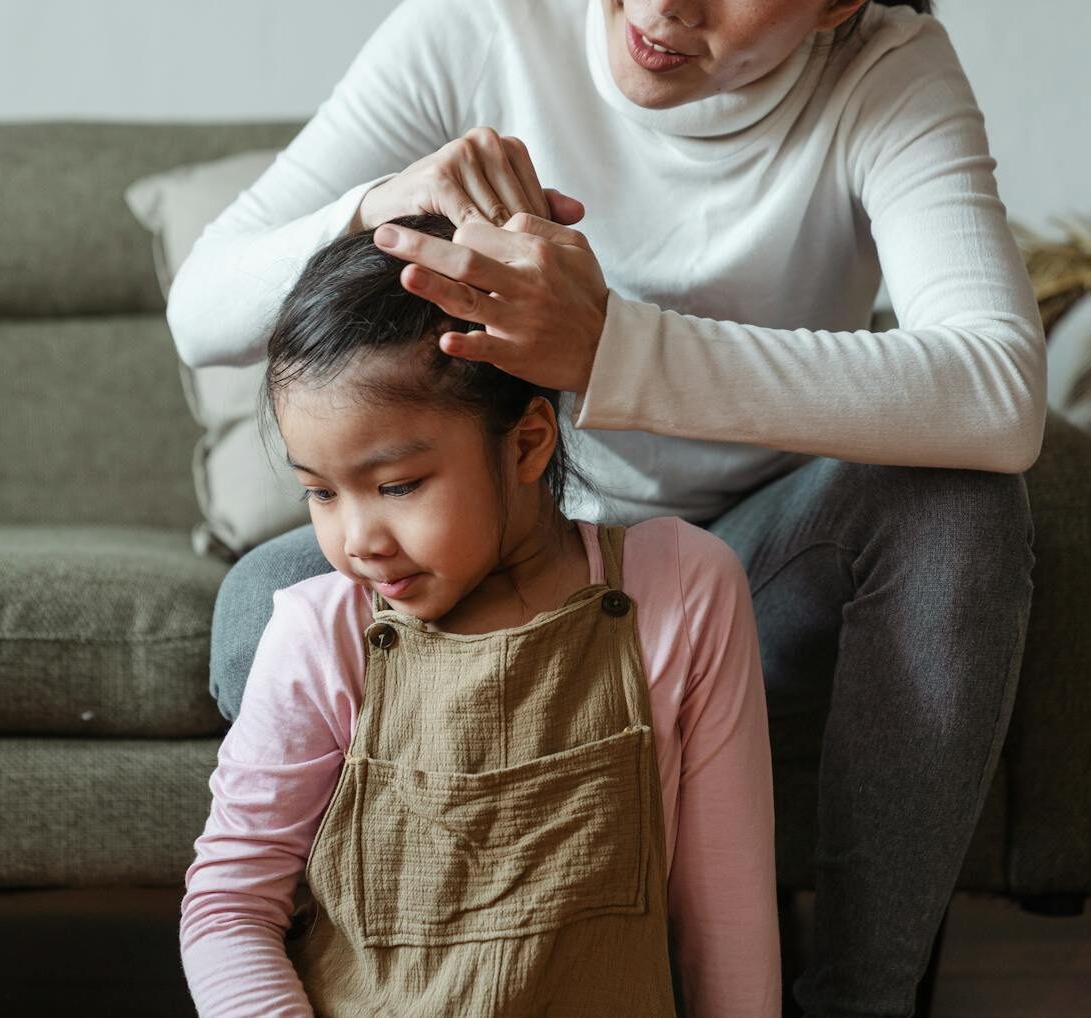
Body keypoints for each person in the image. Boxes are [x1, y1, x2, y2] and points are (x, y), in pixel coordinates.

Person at [168, 0, 1043, 1014]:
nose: (666, 5)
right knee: (257, 606)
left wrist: (612, 350)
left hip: (756, 557)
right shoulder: (478, 26)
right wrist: (378, 200)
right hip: (510, 530)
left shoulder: (883, 71)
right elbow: (202, 311)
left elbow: (999, 393)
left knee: (963, 509)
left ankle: (857, 1000)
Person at [179, 214, 779, 1016]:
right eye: (320, 492)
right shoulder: (319, 635)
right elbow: (228, 907)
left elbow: (726, 925)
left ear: (529, 445)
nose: (357, 540)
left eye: (398, 486)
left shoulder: (682, 589)